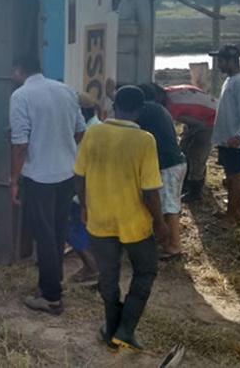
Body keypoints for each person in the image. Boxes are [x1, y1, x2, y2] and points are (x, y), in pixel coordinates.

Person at [74, 86, 168, 352]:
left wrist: (83, 206)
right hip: (134, 223)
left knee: (109, 276)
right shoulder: (144, 140)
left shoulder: (93, 133)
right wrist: (160, 224)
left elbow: (78, 175)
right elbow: (150, 190)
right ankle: (125, 329)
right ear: (139, 110)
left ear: (115, 107)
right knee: (146, 271)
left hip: (100, 219)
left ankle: (111, 329)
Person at [9, 57, 86, 315]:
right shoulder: (65, 90)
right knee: (56, 231)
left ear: (19, 70)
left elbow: (20, 144)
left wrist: (14, 180)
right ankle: (55, 284)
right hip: (66, 173)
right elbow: (80, 131)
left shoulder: (21, 96)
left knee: (44, 236)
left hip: (39, 177)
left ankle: (51, 297)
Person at [209, 45, 240, 230]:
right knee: (231, 176)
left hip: (235, 140)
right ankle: (235, 211)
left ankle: (231, 218)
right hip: (227, 138)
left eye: (220, 61)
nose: (218, 65)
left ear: (231, 61)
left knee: (235, 177)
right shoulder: (230, 80)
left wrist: (239, 135)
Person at [138, 84, 188, 261]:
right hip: (175, 163)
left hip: (169, 165)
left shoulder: (148, 109)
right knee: (168, 204)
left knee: (168, 207)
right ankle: (168, 241)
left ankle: (174, 246)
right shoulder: (158, 109)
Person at [152, 83, 218, 202]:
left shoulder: (172, 104)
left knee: (196, 156)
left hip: (210, 120)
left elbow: (166, 129)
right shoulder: (169, 92)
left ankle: (195, 191)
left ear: (158, 96)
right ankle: (186, 183)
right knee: (183, 150)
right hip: (194, 118)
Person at [66, 93, 101, 286]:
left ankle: (91, 268)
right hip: (99, 191)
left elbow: (79, 171)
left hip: (85, 194)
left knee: (71, 230)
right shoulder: (99, 127)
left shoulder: (88, 133)